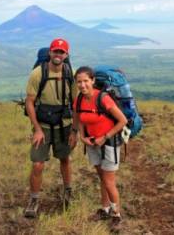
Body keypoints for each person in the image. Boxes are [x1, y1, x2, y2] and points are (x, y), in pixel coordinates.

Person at [24, 38, 78, 217]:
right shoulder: (38, 74)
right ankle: (34, 199)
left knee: (65, 159)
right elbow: (29, 103)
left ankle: (68, 191)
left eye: (61, 52)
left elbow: (76, 103)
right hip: (44, 126)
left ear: (66, 54)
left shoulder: (71, 73)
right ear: (50, 52)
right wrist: (37, 129)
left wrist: (75, 131)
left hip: (64, 125)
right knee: (38, 164)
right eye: (55, 51)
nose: (58, 55)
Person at [73, 66, 127, 230]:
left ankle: (116, 215)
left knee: (109, 182)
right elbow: (80, 118)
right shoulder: (79, 100)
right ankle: (104, 209)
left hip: (108, 143)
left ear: (93, 81)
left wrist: (105, 137)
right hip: (92, 143)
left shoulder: (103, 98)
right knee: (102, 178)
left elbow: (122, 121)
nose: (82, 85)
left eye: (86, 81)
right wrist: (82, 137)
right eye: (79, 82)